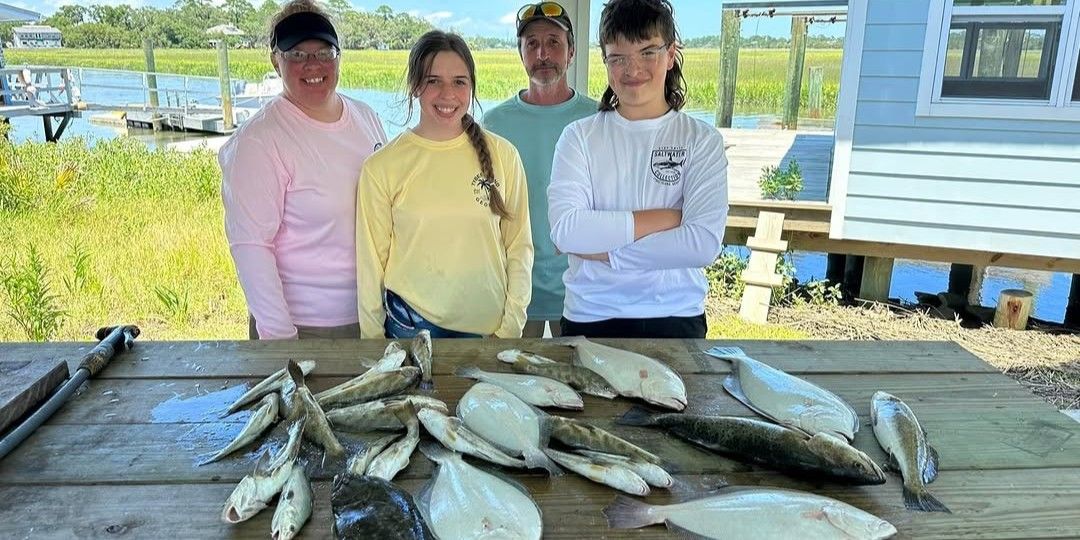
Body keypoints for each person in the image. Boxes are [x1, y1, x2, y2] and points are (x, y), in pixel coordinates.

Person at [547, 0, 729, 339]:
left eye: (648, 52)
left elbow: (701, 244)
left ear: (671, 53)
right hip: (590, 314)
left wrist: (609, 255)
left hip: (676, 313)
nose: (633, 69)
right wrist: (667, 218)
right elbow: (567, 231)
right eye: (618, 57)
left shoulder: (701, 140)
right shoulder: (579, 137)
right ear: (605, 60)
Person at [219, 0, 387, 340]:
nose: (312, 64)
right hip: (306, 326)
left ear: (339, 56)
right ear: (275, 59)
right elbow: (251, 245)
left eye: (324, 51)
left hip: (373, 315)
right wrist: (282, 340)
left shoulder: (366, 117)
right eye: (296, 54)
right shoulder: (260, 140)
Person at [356, 30, 533, 340]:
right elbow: (371, 265)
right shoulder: (381, 167)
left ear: (472, 86)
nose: (447, 94)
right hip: (411, 329)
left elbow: (519, 247)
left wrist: (510, 328)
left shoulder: (504, 155)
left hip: (489, 332)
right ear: (414, 86)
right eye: (433, 80)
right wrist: (372, 342)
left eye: (459, 82)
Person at [483, 2, 597, 339]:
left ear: (572, 52)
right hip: (515, 287)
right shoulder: (494, 123)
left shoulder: (597, 120)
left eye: (554, 42)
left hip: (580, 288)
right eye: (531, 44)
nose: (542, 53)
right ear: (521, 54)